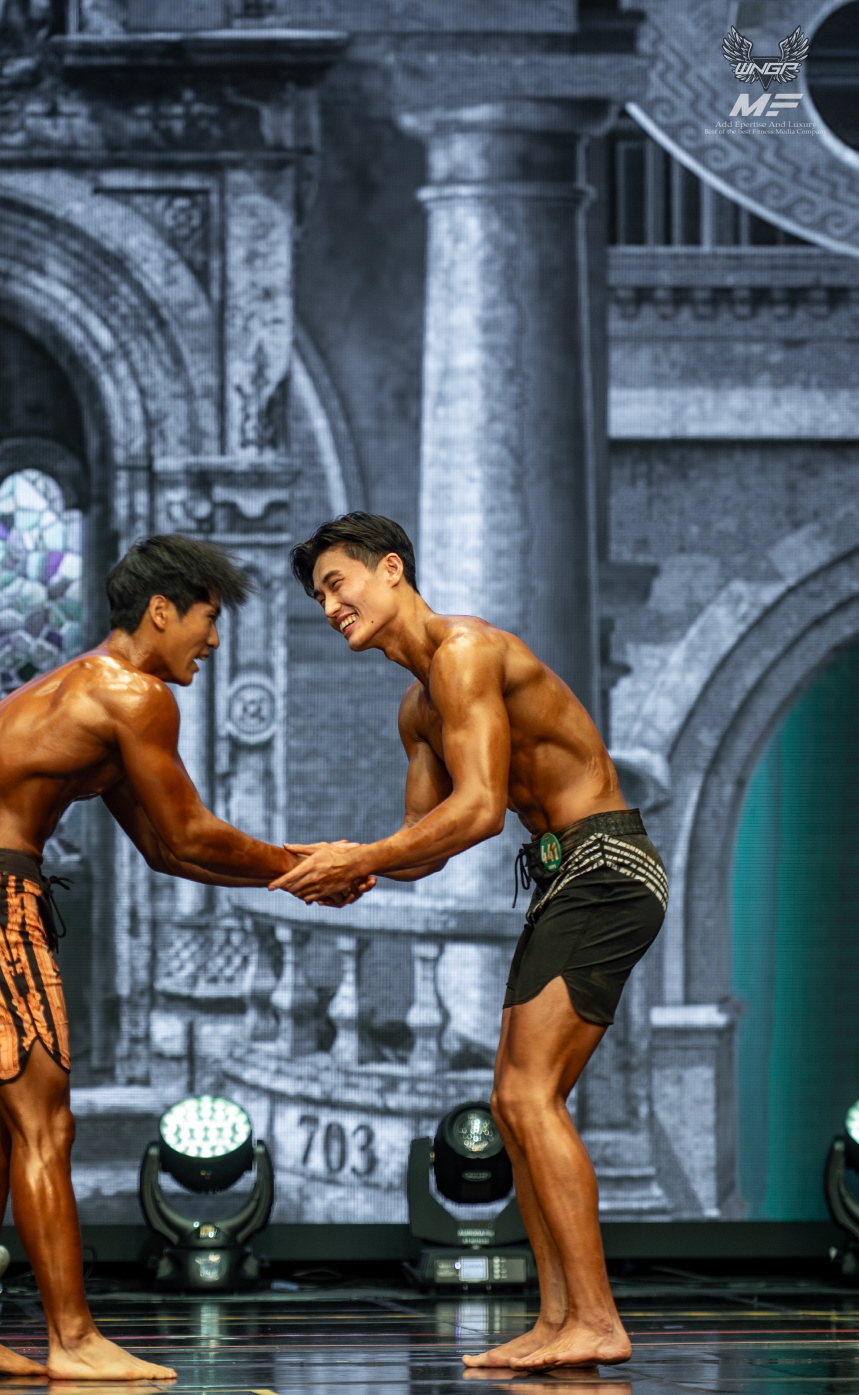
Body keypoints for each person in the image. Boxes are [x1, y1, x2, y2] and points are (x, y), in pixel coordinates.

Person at [0, 534, 372, 1382]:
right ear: (161, 611)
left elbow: (167, 851)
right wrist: (306, 864)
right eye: (207, 618)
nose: (213, 639)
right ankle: (72, 1338)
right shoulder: (134, 695)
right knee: (46, 1128)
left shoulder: (84, 690)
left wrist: (292, 875)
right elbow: (194, 832)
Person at [274, 514, 667, 1372]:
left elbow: (482, 808)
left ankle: (596, 1316)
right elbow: (426, 844)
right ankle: (560, 1319)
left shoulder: (464, 652)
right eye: (319, 598)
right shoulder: (419, 708)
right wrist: (352, 868)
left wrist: (362, 857)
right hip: (567, 878)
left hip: (605, 866)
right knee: (514, 1102)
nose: (331, 607)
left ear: (391, 568)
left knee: (527, 1095)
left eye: (338, 584)